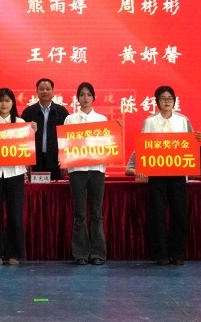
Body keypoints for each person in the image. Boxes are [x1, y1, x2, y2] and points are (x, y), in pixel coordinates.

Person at [141, 85, 195, 266]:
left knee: (179, 214)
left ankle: (177, 253)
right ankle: (161, 254)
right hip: (156, 175)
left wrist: (196, 140)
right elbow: (144, 147)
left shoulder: (183, 120)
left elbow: (191, 144)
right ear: (157, 102)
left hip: (178, 174)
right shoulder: (149, 122)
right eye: (163, 99)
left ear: (174, 101)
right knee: (157, 215)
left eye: (170, 99)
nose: (166, 102)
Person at [0, 87, 37, 265]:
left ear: (13, 103)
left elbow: (26, 147)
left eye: (7, 100)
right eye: (0, 100)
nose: (4, 104)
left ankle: (14, 253)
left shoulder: (21, 123)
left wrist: (32, 132)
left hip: (15, 173)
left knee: (15, 214)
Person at [64, 82, 109, 265]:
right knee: (80, 213)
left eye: (89, 94)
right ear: (77, 98)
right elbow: (66, 144)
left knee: (97, 212)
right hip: (77, 171)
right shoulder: (70, 120)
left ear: (93, 98)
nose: (85, 98)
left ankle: (98, 254)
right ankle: (81, 254)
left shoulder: (102, 119)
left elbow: (107, 144)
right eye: (82, 95)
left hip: (97, 169)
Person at [21, 78, 68, 180]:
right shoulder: (28, 112)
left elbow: (67, 139)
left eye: (48, 89)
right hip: (34, 161)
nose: (45, 91)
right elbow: (22, 140)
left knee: (54, 189)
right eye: (41, 89)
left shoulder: (62, 112)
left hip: (56, 162)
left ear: (53, 91)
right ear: (37, 91)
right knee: (35, 188)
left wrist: (65, 160)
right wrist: (26, 161)